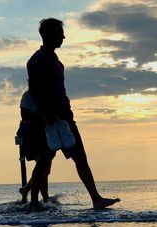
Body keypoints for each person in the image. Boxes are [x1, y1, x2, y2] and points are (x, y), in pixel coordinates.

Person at [26, 18, 120, 210]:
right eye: (60, 33)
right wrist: (45, 114)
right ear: (50, 35)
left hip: (65, 116)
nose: (63, 36)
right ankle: (34, 201)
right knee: (44, 160)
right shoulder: (37, 60)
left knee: (80, 157)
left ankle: (96, 198)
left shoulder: (54, 60)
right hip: (49, 119)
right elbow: (34, 90)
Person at [16, 91, 51, 203]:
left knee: (45, 167)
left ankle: (28, 191)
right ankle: (43, 197)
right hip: (33, 135)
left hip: (45, 134)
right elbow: (24, 115)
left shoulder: (45, 94)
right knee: (43, 166)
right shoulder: (28, 95)